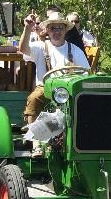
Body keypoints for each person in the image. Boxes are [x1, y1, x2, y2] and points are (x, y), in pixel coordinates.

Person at [19, 11, 90, 156]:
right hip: (46, 88)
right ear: (47, 30)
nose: (56, 32)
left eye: (60, 28)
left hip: (69, 90)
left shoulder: (74, 50)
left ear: (65, 30)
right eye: (53, 28)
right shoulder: (40, 47)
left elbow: (86, 73)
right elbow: (23, 49)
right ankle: (36, 143)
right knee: (34, 98)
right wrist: (27, 28)